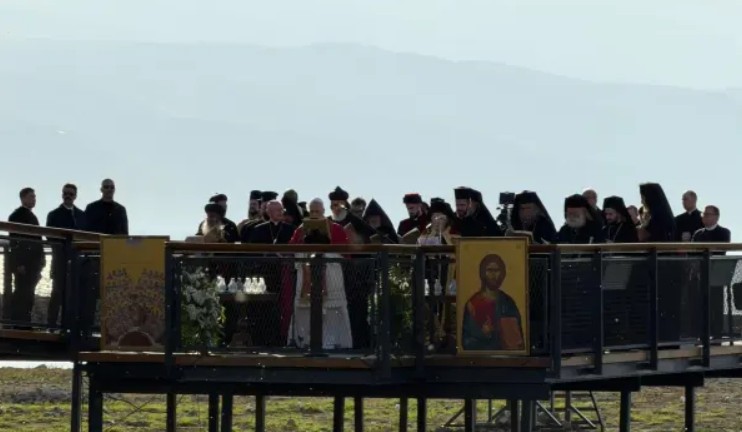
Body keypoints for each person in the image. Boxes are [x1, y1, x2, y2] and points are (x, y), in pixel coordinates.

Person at [285, 198, 352, 349]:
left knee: (332, 311)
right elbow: (292, 247)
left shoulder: (336, 228)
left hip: (331, 276)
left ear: (323, 211)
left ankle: (334, 342)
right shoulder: (301, 229)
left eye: (317, 211)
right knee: (305, 311)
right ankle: (302, 341)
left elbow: (345, 251)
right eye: (312, 211)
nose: (315, 214)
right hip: (306, 276)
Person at [461, 254, 524, 350]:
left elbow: (518, 340)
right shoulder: (473, 304)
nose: (493, 275)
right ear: (483, 273)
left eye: (497, 270)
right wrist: (483, 334)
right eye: (489, 270)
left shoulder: (508, 302)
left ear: (502, 273)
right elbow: (466, 342)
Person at [46, 183, 86, 327]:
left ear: (75, 196)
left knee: (72, 294)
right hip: (60, 259)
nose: (68, 196)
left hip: (76, 260)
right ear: (62, 194)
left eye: (71, 194)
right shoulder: (53, 214)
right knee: (57, 293)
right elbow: (49, 237)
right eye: (65, 193)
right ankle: (51, 325)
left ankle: (68, 326)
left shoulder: (81, 215)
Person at [8, 187, 46, 327]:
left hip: (33, 263)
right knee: (21, 294)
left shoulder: (32, 216)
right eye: (31, 196)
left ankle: (24, 323)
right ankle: (18, 324)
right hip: (24, 263)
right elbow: (14, 241)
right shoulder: (16, 216)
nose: (34, 199)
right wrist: (18, 263)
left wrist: (41, 262)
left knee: (29, 295)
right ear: (23, 198)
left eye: (34, 197)